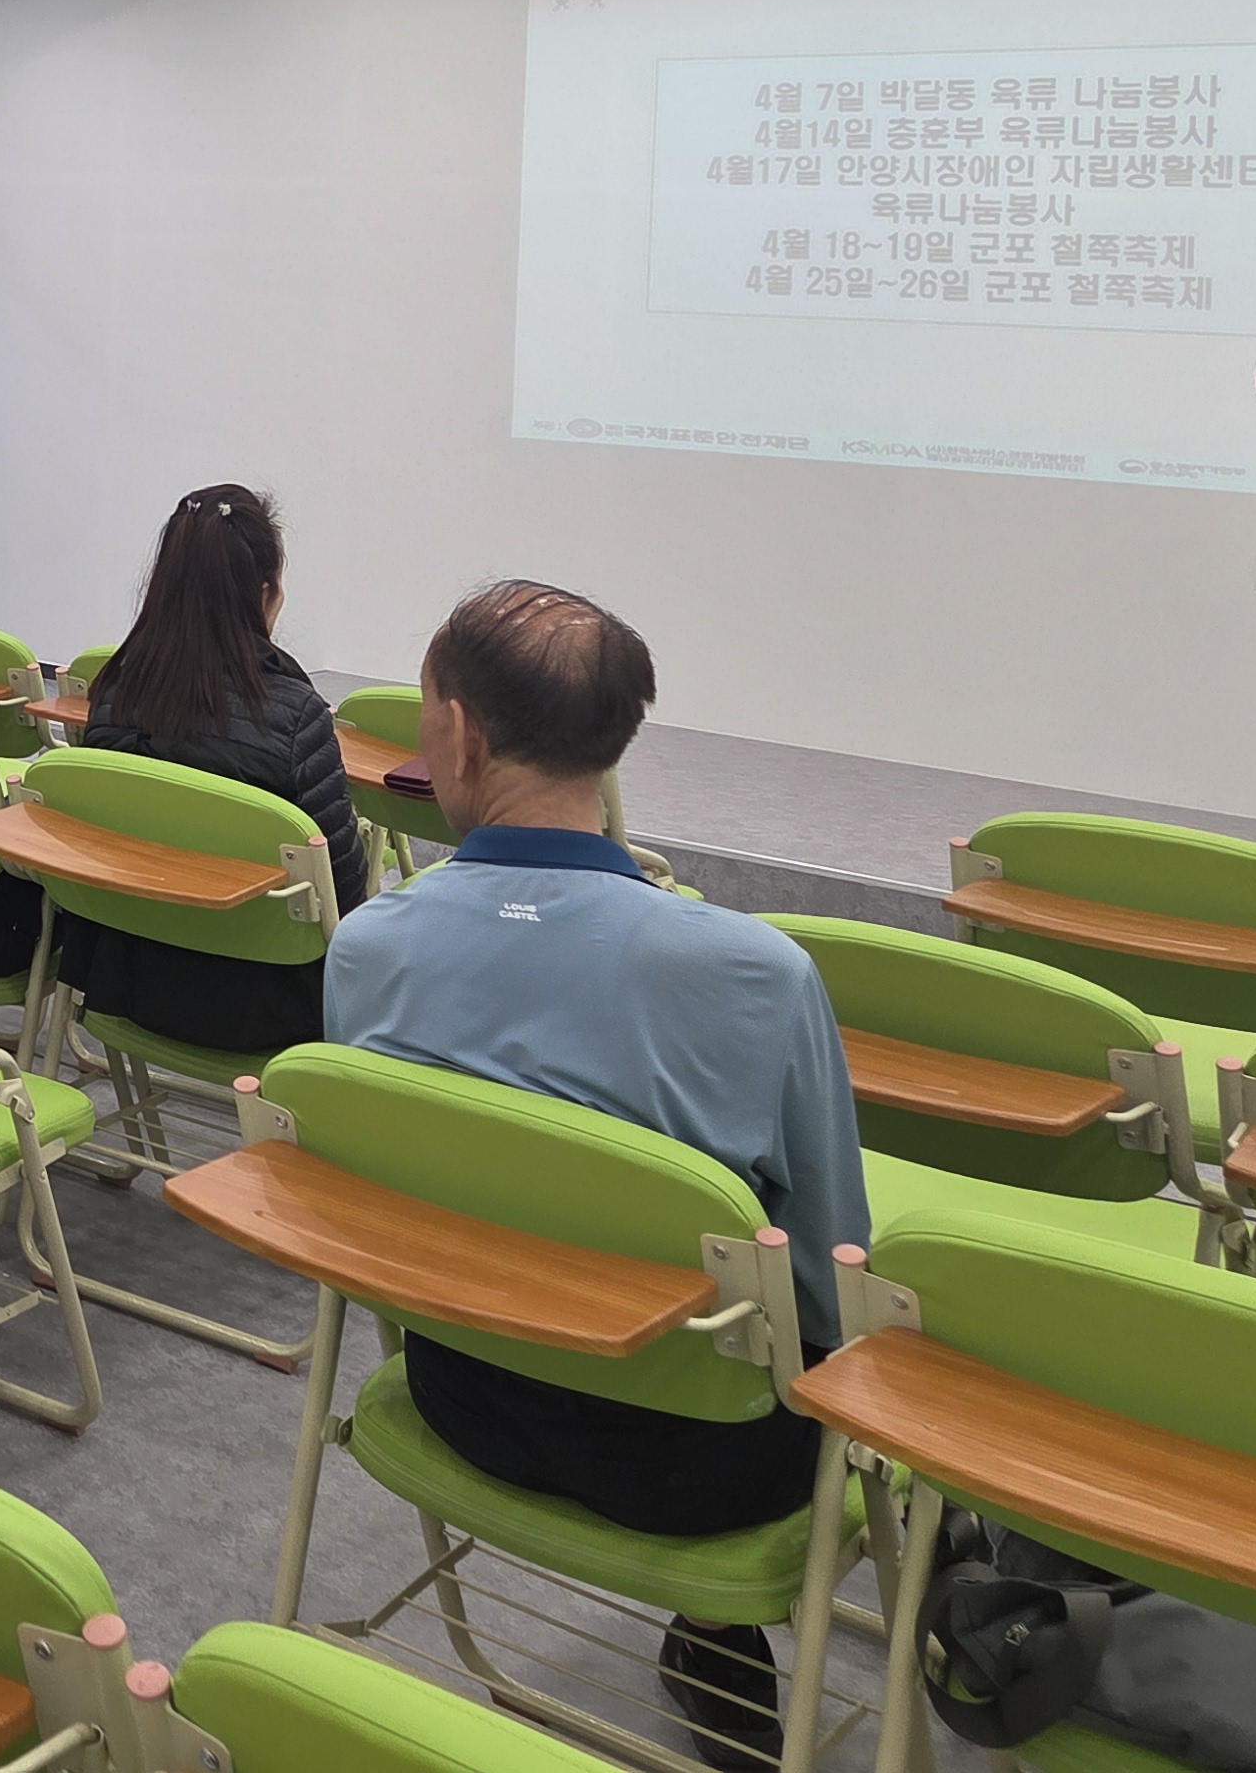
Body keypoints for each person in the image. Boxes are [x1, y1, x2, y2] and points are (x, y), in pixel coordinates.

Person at [326, 579, 868, 1766]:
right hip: (713, 1469)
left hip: (463, 1394)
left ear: (457, 732)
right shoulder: (756, 976)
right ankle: (721, 1637)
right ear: (616, 740)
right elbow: (833, 1283)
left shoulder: (369, 950)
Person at [67, 487, 368, 1057]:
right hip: (266, 1012)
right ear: (266, 592)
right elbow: (344, 895)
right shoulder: (296, 719)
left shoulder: (111, 698)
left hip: (126, 984)